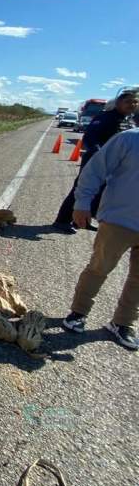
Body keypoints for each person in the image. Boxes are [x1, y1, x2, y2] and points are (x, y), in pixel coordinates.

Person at [62, 128, 139, 350]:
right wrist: (82, 202)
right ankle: (78, 313)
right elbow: (95, 170)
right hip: (119, 220)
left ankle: (122, 323)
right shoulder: (130, 139)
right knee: (99, 268)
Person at [53, 91, 138, 234]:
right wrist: (98, 151)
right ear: (118, 103)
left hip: (112, 162)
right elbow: (89, 137)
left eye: (135, 102)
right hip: (95, 159)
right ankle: (62, 221)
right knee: (80, 188)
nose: (132, 104)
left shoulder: (126, 119)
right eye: (128, 101)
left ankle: (81, 221)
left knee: (100, 191)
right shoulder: (106, 117)